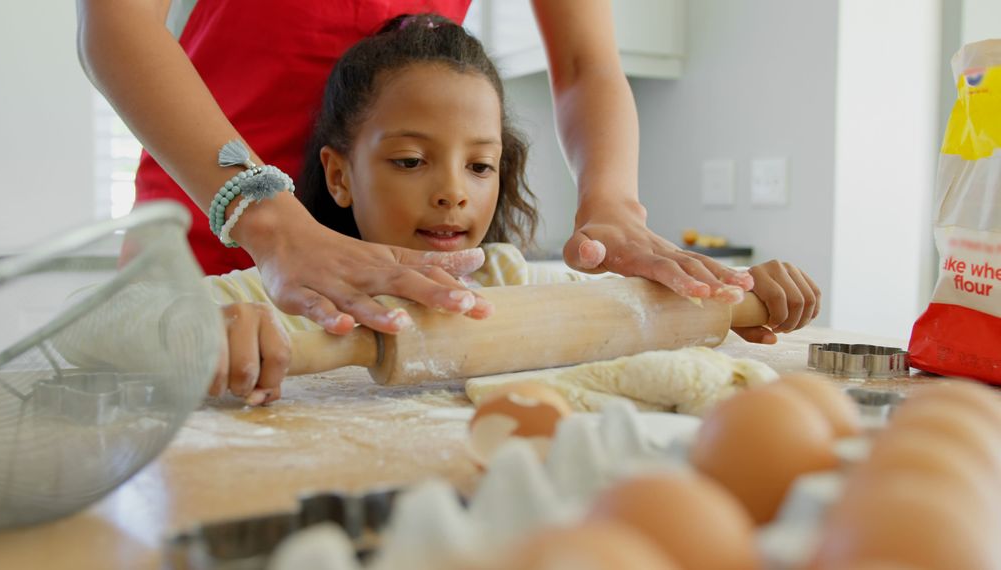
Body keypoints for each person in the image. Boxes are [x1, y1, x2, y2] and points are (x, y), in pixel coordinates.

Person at [203, 15, 822, 405]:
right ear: (340, 175)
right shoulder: (277, 294)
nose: (454, 193)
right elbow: (134, 330)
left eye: (479, 166)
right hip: (216, 178)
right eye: (412, 161)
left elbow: (620, 328)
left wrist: (732, 299)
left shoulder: (507, 281)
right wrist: (215, 333)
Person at [77, 0, 757, 340]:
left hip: (403, 275)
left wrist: (612, 203)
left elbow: (586, 62)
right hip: (215, 236)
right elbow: (115, 24)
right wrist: (270, 222)